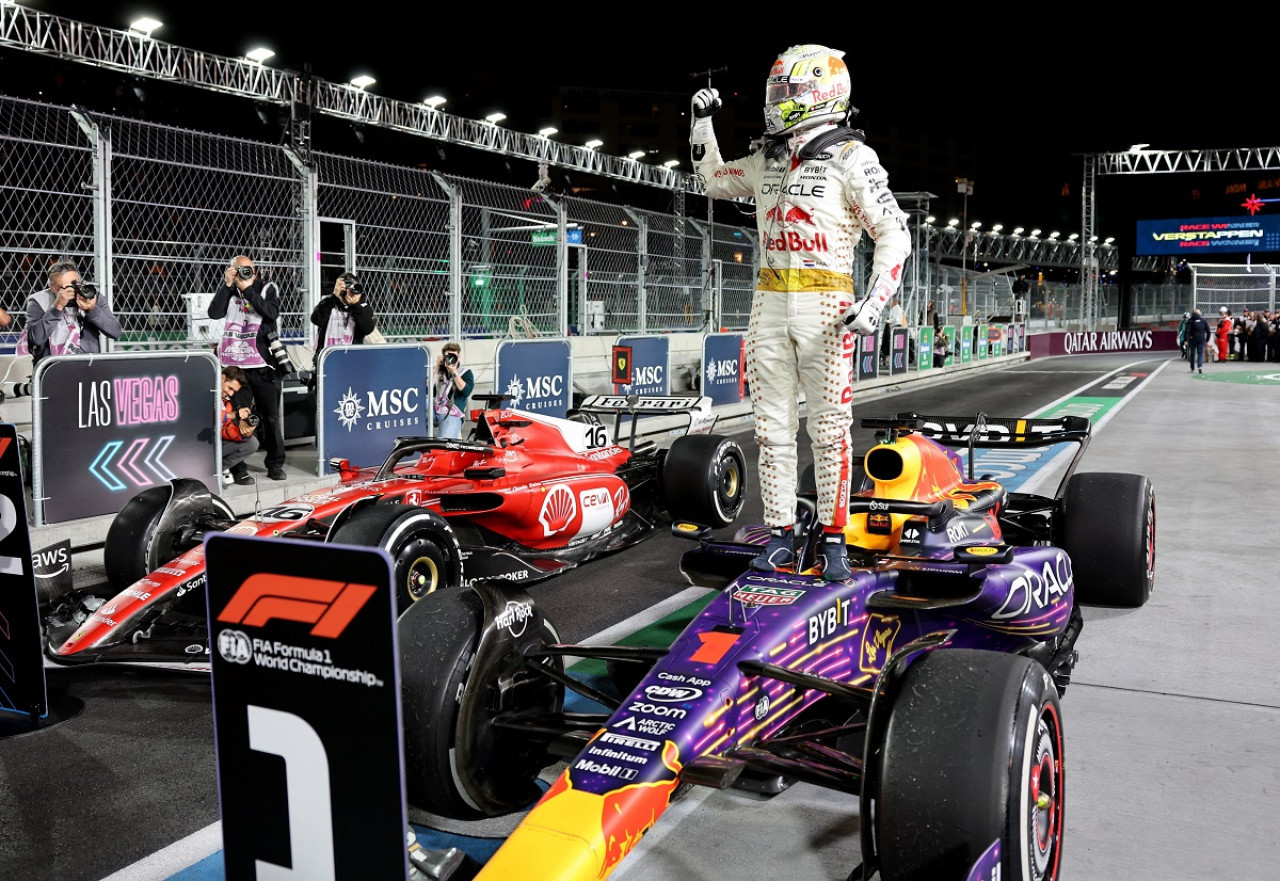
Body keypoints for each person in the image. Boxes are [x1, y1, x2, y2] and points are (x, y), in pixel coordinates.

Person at [690, 44, 911, 582]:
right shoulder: (767, 156)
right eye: (778, 92)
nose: (778, 101)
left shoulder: (854, 159)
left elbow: (894, 233)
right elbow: (712, 180)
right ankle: (782, 535)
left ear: (823, 91)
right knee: (770, 430)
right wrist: (700, 123)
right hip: (767, 305)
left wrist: (875, 302)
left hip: (829, 307)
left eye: (788, 92)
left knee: (830, 430)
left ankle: (835, 541)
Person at [208, 255, 287, 480]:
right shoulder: (229, 290)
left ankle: (274, 464)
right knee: (237, 417)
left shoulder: (266, 288)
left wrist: (249, 289)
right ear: (232, 270)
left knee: (270, 418)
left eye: (248, 270)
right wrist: (227, 285)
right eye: (239, 270)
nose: (244, 273)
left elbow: (271, 313)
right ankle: (238, 468)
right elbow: (214, 314)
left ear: (256, 271)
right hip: (235, 369)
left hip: (262, 365)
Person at [23, 259, 121, 367]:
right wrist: (57, 306)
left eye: (75, 285)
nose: (71, 291)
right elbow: (36, 338)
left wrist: (92, 310)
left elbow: (115, 331)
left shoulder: (92, 297)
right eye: (63, 288)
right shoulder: (38, 300)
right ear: (51, 288)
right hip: (52, 368)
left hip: (88, 366)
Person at [310, 270, 377, 361]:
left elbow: (367, 329)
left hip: (351, 360)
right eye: (344, 287)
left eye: (351, 287)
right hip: (326, 359)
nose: (348, 290)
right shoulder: (328, 303)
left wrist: (355, 305)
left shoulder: (363, 308)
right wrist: (334, 297)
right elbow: (317, 320)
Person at [219, 365, 258, 486]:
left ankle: (213, 471)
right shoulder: (203, 391)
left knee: (252, 443)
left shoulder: (226, 403)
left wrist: (244, 433)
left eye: (234, 391)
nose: (230, 393)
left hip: (214, 445)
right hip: (197, 445)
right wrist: (234, 414)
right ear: (222, 378)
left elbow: (226, 430)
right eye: (229, 388)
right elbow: (206, 418)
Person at [431, 341, 474, 439]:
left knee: (445, 442)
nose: (450, 359)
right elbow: (427, 390)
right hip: (434, 408)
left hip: (453, 412)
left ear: (459, 358)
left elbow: (466, 392)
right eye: (447, 357)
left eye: (453, 357)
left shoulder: (465, 372)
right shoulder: (437, 371)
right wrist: (437, 368)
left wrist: (454, 372)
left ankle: (453, 432)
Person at [1185, 307, 1210, 374]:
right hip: (1201, 339)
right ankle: (1200, 366)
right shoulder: (1203, 321)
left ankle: (1192, 368)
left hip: (1192, 339)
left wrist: (1186, 340)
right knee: (1200, 353)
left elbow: (1187, 331)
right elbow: (1208, 331)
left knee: (1192, 354)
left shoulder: (1190, 321)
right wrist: (1207, 340)